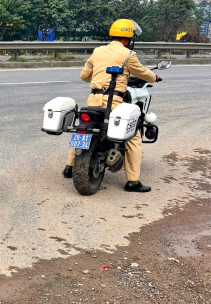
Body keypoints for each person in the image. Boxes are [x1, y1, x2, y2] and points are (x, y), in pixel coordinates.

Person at [63, 19, 161, 192]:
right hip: (114, 102)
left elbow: (84, 76)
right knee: (133, 136)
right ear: (128, 38)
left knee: (84, 129)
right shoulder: (128, 55)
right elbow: (142, 72)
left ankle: (69, 167)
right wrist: (155, 77)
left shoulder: (98, 51)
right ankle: (133, 182)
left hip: (93, 100)